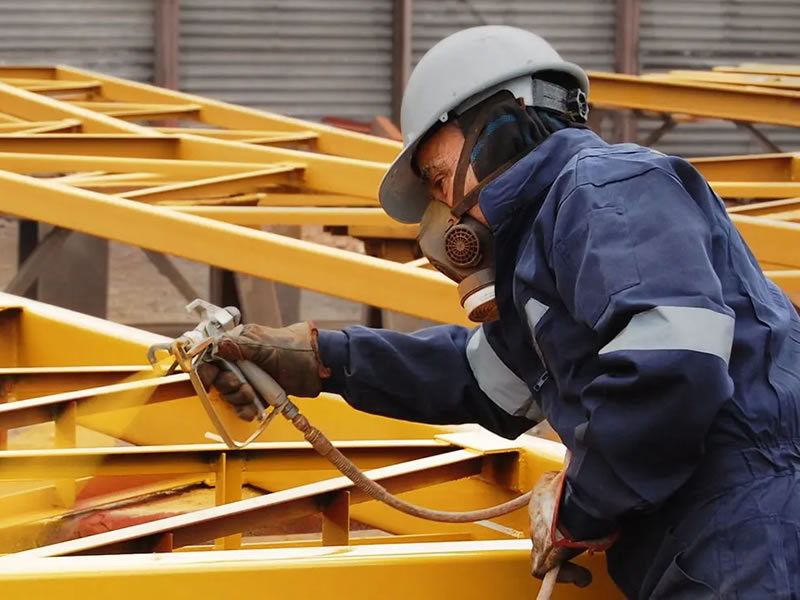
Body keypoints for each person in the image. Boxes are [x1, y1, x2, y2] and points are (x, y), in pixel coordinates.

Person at [199, 26, 800, 598]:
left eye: (438, 181)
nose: (445, 215)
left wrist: (582, 502)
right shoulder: (545, 253)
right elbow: (479, 379)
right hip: (706, 534)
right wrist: (319, 359)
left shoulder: (609, 190)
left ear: (500, 126)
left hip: (750, 524)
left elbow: (670, 367)